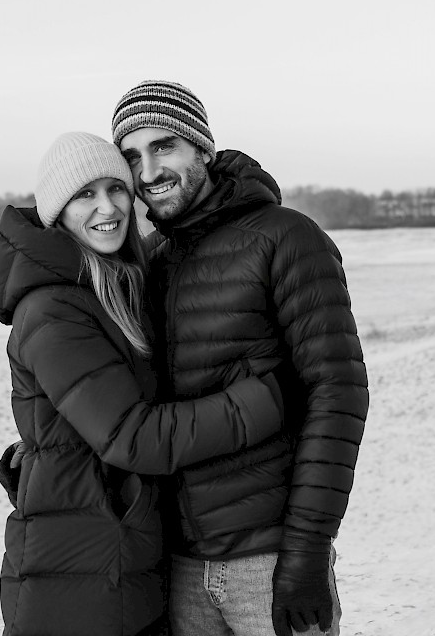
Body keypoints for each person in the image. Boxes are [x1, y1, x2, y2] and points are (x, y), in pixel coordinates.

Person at [0, 131, 287, 636]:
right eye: (84, 194)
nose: (107, 207)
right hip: (80, 575)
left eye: (116, 188)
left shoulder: (110, 284)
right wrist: (265, 401)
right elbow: (132, 435)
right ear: (57, 211)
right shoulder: (53, 308)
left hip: (113, 555)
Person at [111, 81, 370, 636]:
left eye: (164, 146)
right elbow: (123, 398)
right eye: (132, 156)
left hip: (268, 563)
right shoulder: (150, 262)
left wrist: (307, 549)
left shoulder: (286, 238)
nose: (148, 171)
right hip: (177, 568)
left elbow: (337, 396)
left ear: (202, 149)